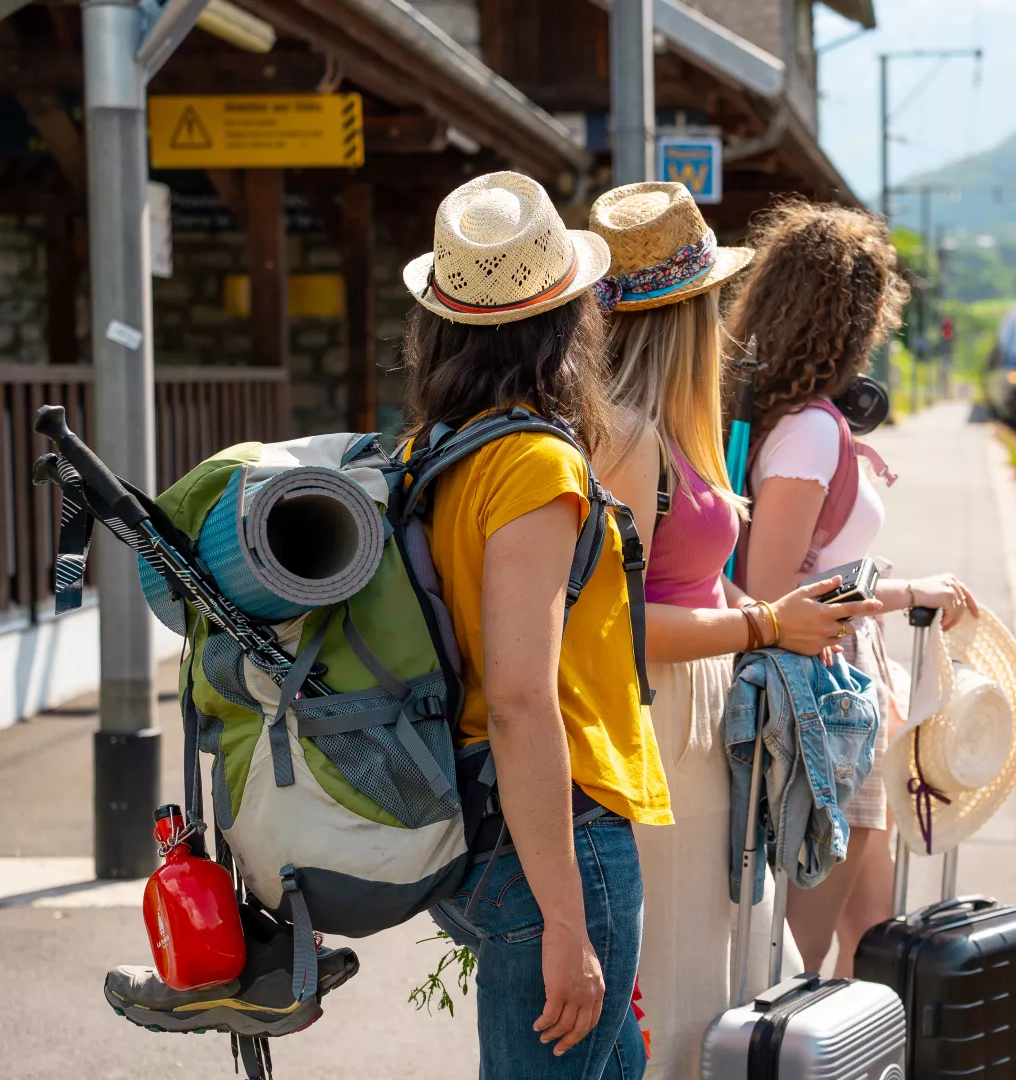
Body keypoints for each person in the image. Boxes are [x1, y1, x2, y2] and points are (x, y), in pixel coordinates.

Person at [587, 182, 879, 1079]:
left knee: (727, 969)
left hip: (700, 718)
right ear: (689, 312)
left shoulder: (671, 424)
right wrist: (764, 624)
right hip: (663, 725)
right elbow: (612, 628)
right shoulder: (633, 435)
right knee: (683, 983)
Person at [403, 171, 667, 1080]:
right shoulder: (530, 464)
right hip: (556, 836)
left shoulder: (428, 456)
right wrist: (565, 918)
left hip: (482, 817)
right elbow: (519, 699)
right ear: (566, 317)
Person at [728, 201, 981, 977]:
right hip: (823, 706)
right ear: (856, 316)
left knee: (872, 930)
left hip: (838, 693)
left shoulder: (779, 419)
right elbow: (778, 596)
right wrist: (904, 594)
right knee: (802, 961)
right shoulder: (807, 433)